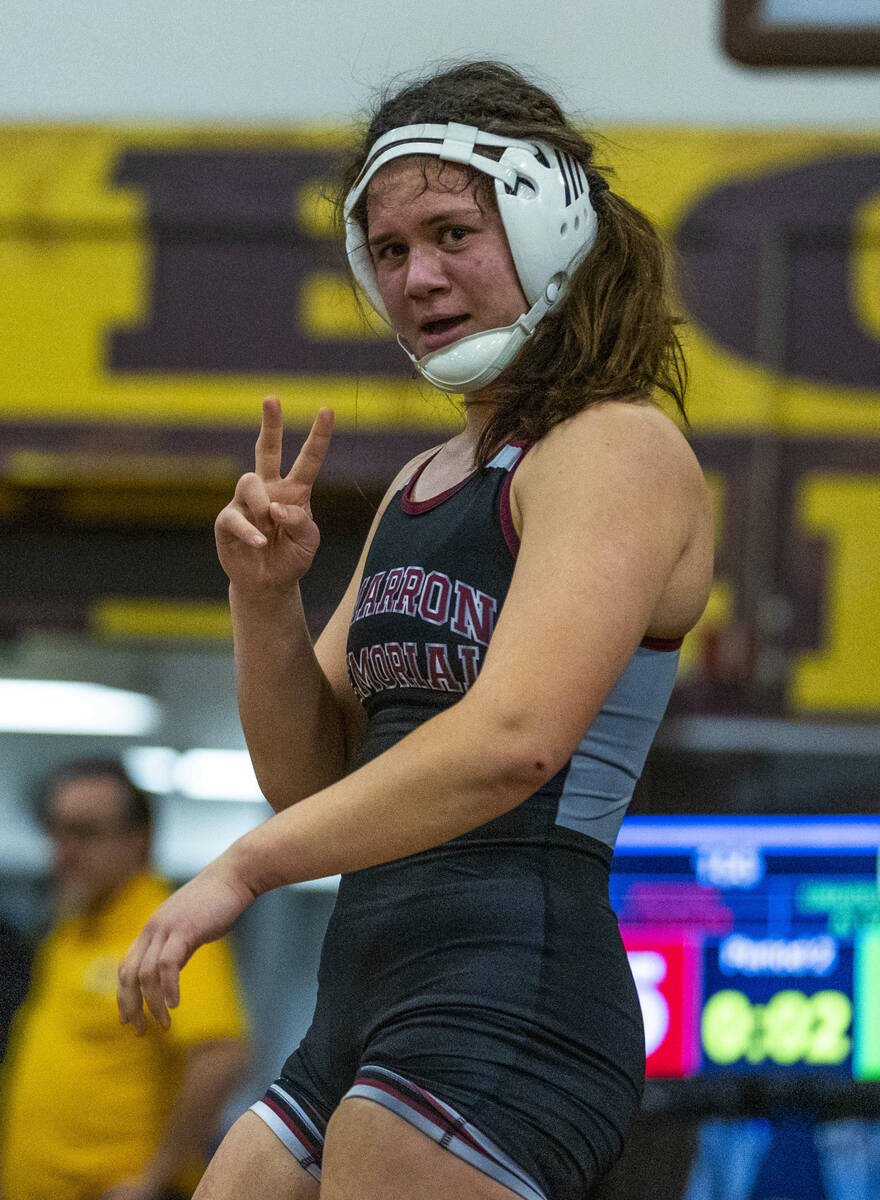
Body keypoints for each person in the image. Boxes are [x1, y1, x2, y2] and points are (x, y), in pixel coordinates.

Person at [116, 59, 714, 1200]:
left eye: (451, 233)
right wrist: (264, 598)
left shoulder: (614, 448)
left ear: (547, 231)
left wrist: (242, 871)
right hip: (370, 986)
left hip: (510, 986)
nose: (419, 278)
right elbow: (307, 775)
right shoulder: (423, 484)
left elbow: (515, 742)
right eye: (389, 252)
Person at [0, 758, 249, 1200]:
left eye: (86, 832)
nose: (65, 850)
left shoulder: (170, 930)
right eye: (57, 830)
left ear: (141, 839)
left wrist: (153, 1178)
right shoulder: (70, 928)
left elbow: (220, 1054)